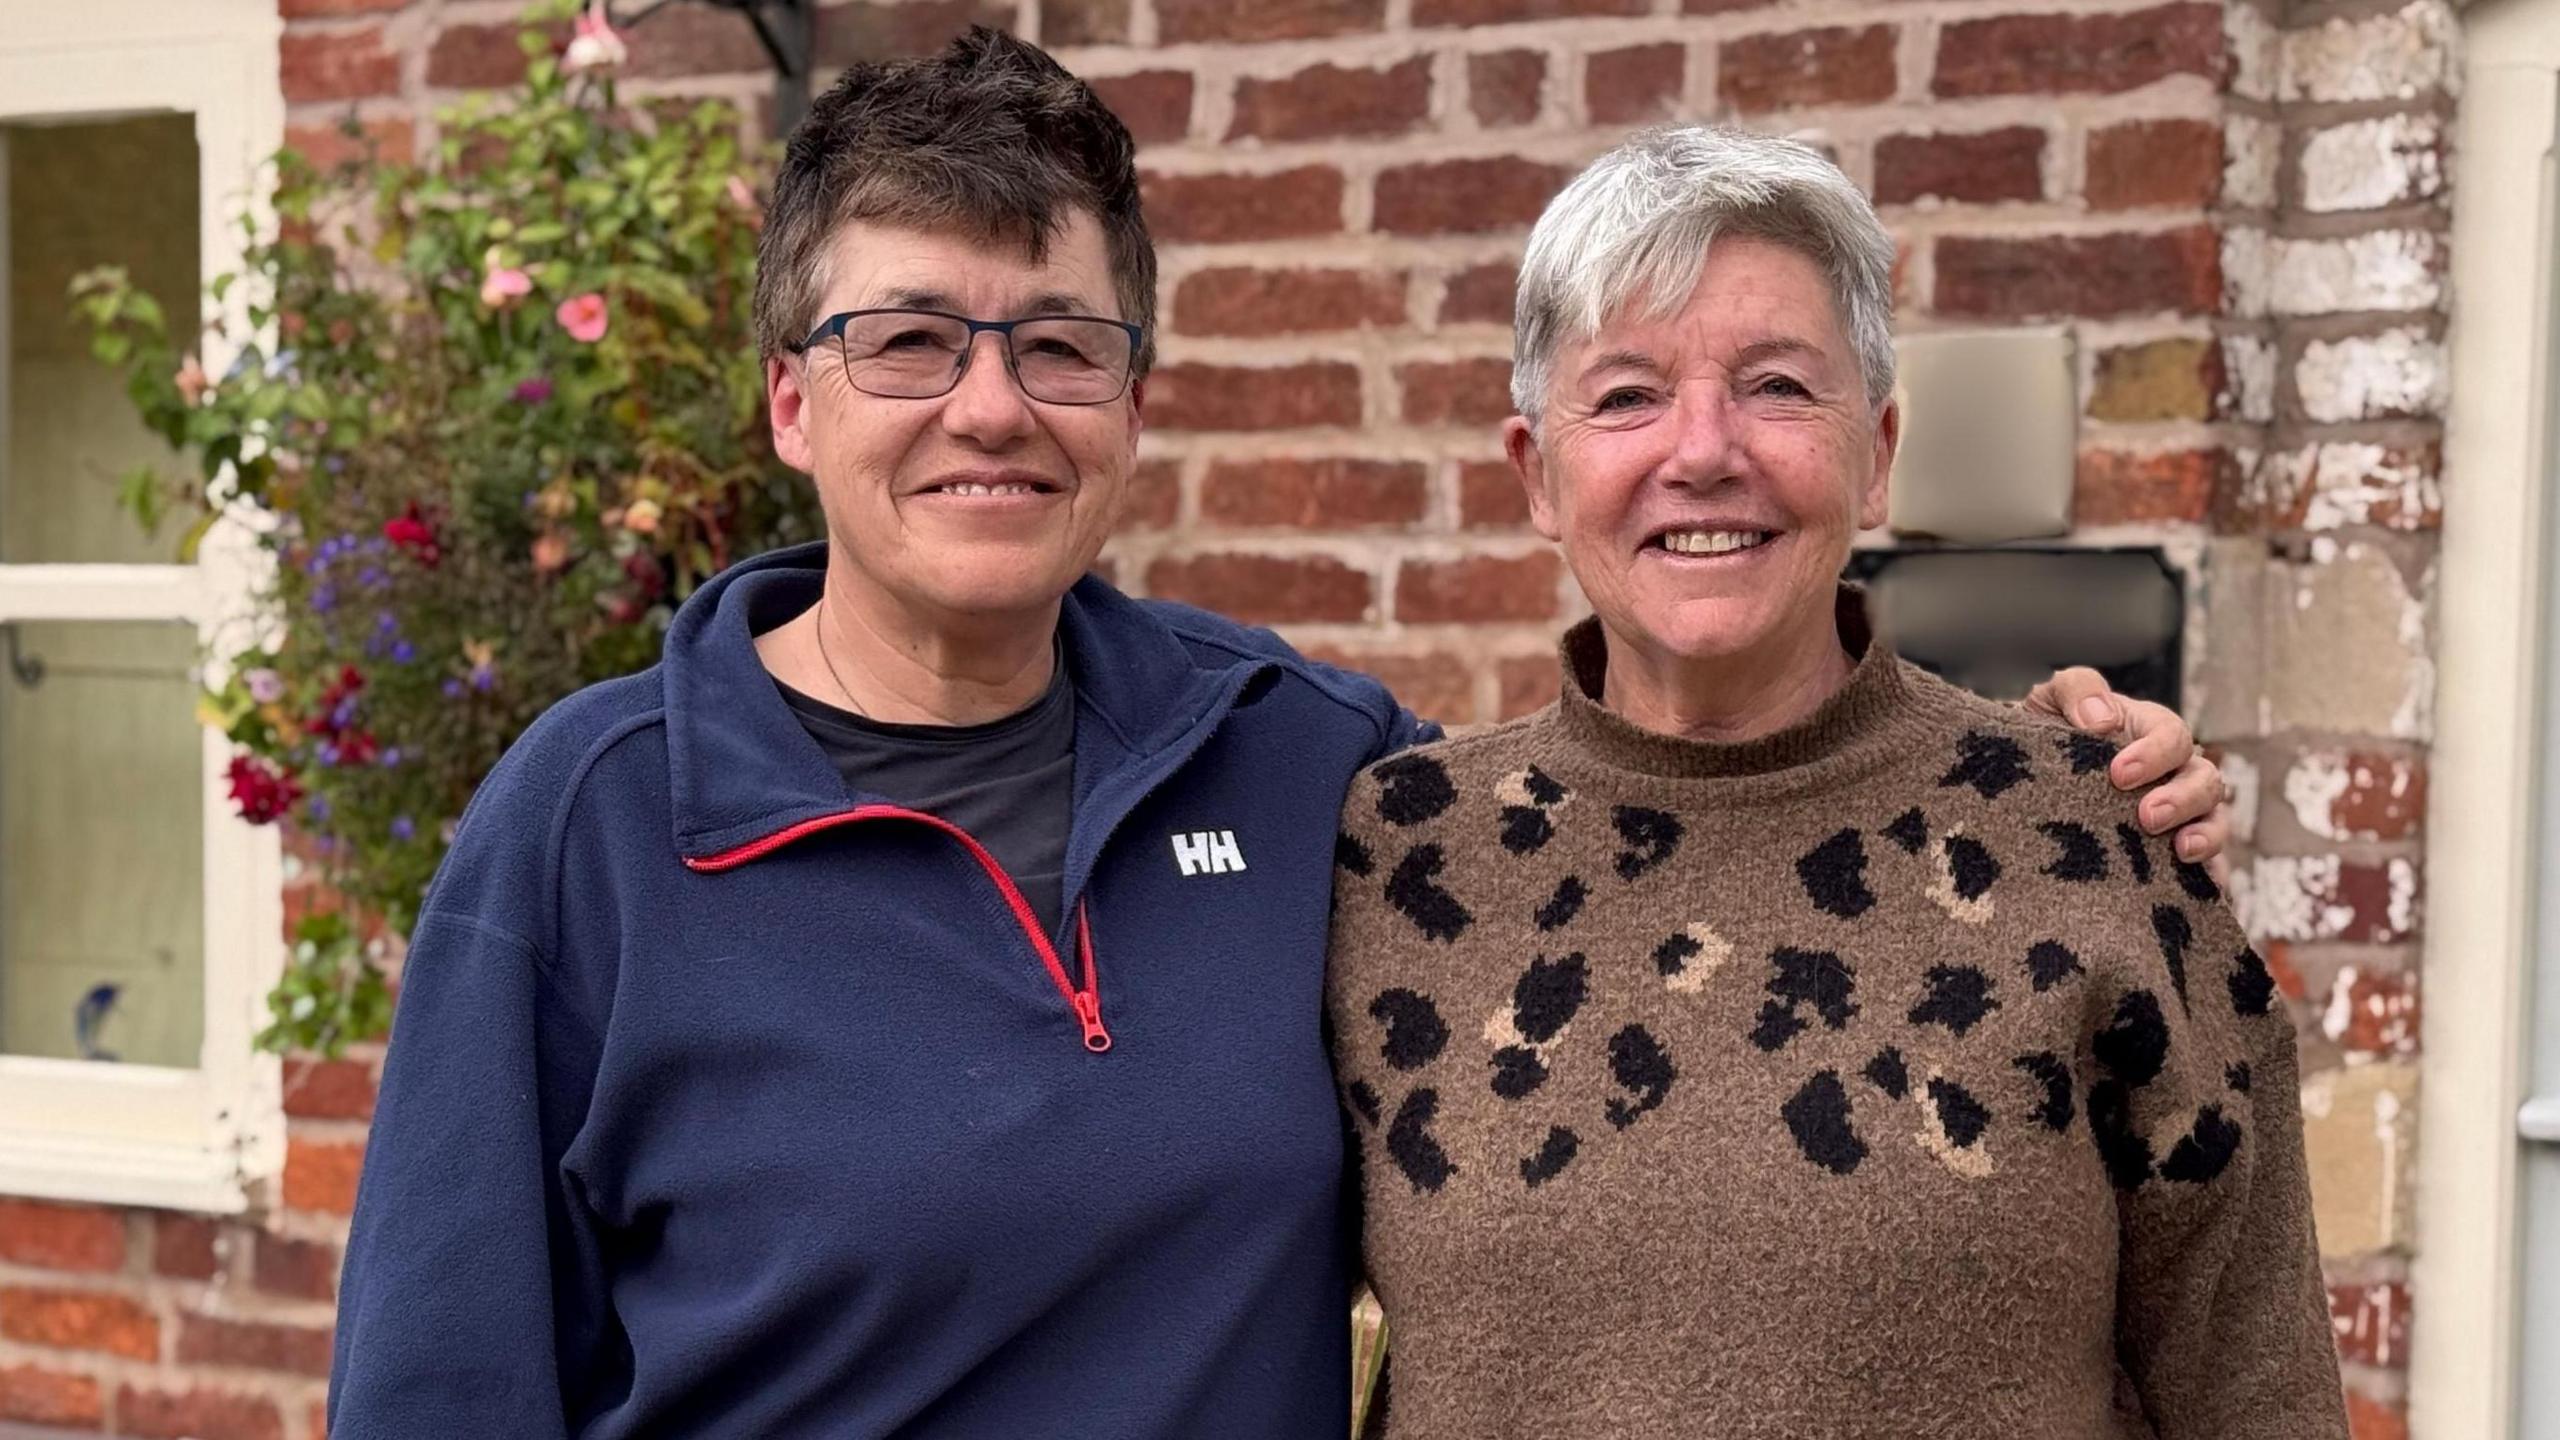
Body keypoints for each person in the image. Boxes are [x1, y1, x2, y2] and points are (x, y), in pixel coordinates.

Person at [327, 33, 2233, 1439]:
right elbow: (440, 1393)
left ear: (1133, 405)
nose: (990, 408)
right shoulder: (591, 829)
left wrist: (2050, 787)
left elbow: (1676, 835)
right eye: (907, 341)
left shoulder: (1313, 768)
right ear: (789, 406)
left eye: (1059, 344)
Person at [1326, 124, 2345, 1440]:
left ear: (1877, 453)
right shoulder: (1402, 857)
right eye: (1627, 395)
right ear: (1537, 471)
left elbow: (2257, 1390)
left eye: (1777, 387)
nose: (1703, 451)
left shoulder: (2095, 832)